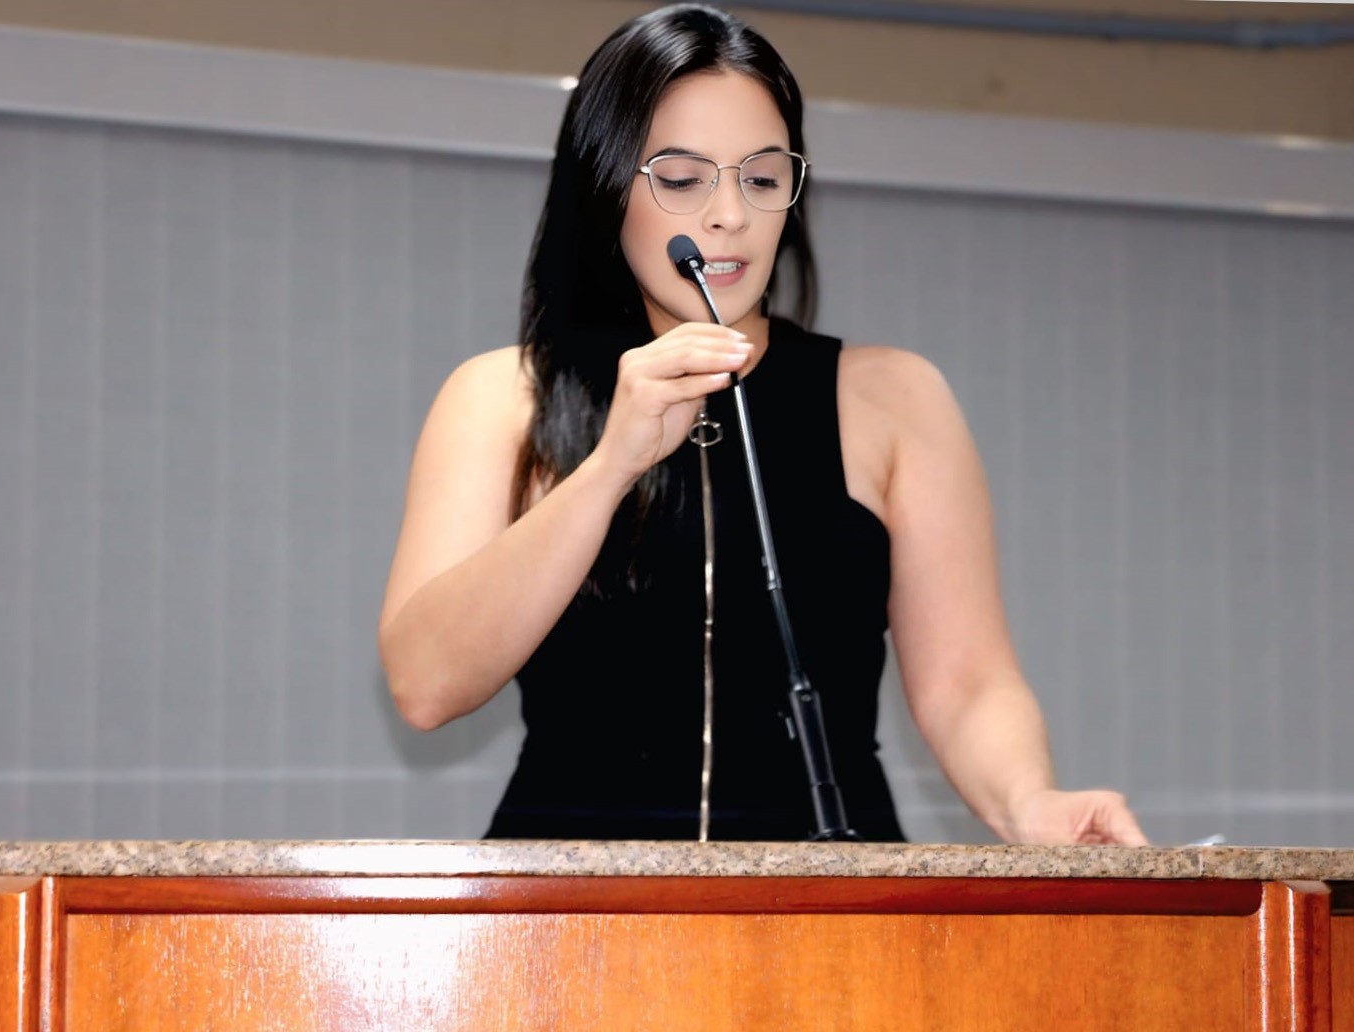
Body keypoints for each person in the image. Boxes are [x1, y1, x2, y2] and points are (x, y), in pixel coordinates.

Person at [377, 3, 1146, 846]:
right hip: (574, 899)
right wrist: (608, 468)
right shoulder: (503, 397)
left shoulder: (894, 397)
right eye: (682, 179)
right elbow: (426, 684)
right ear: (605, 186)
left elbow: (967, 680)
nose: (730, 215)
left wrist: (1028, 802)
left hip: (836, 894)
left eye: (763, 178)